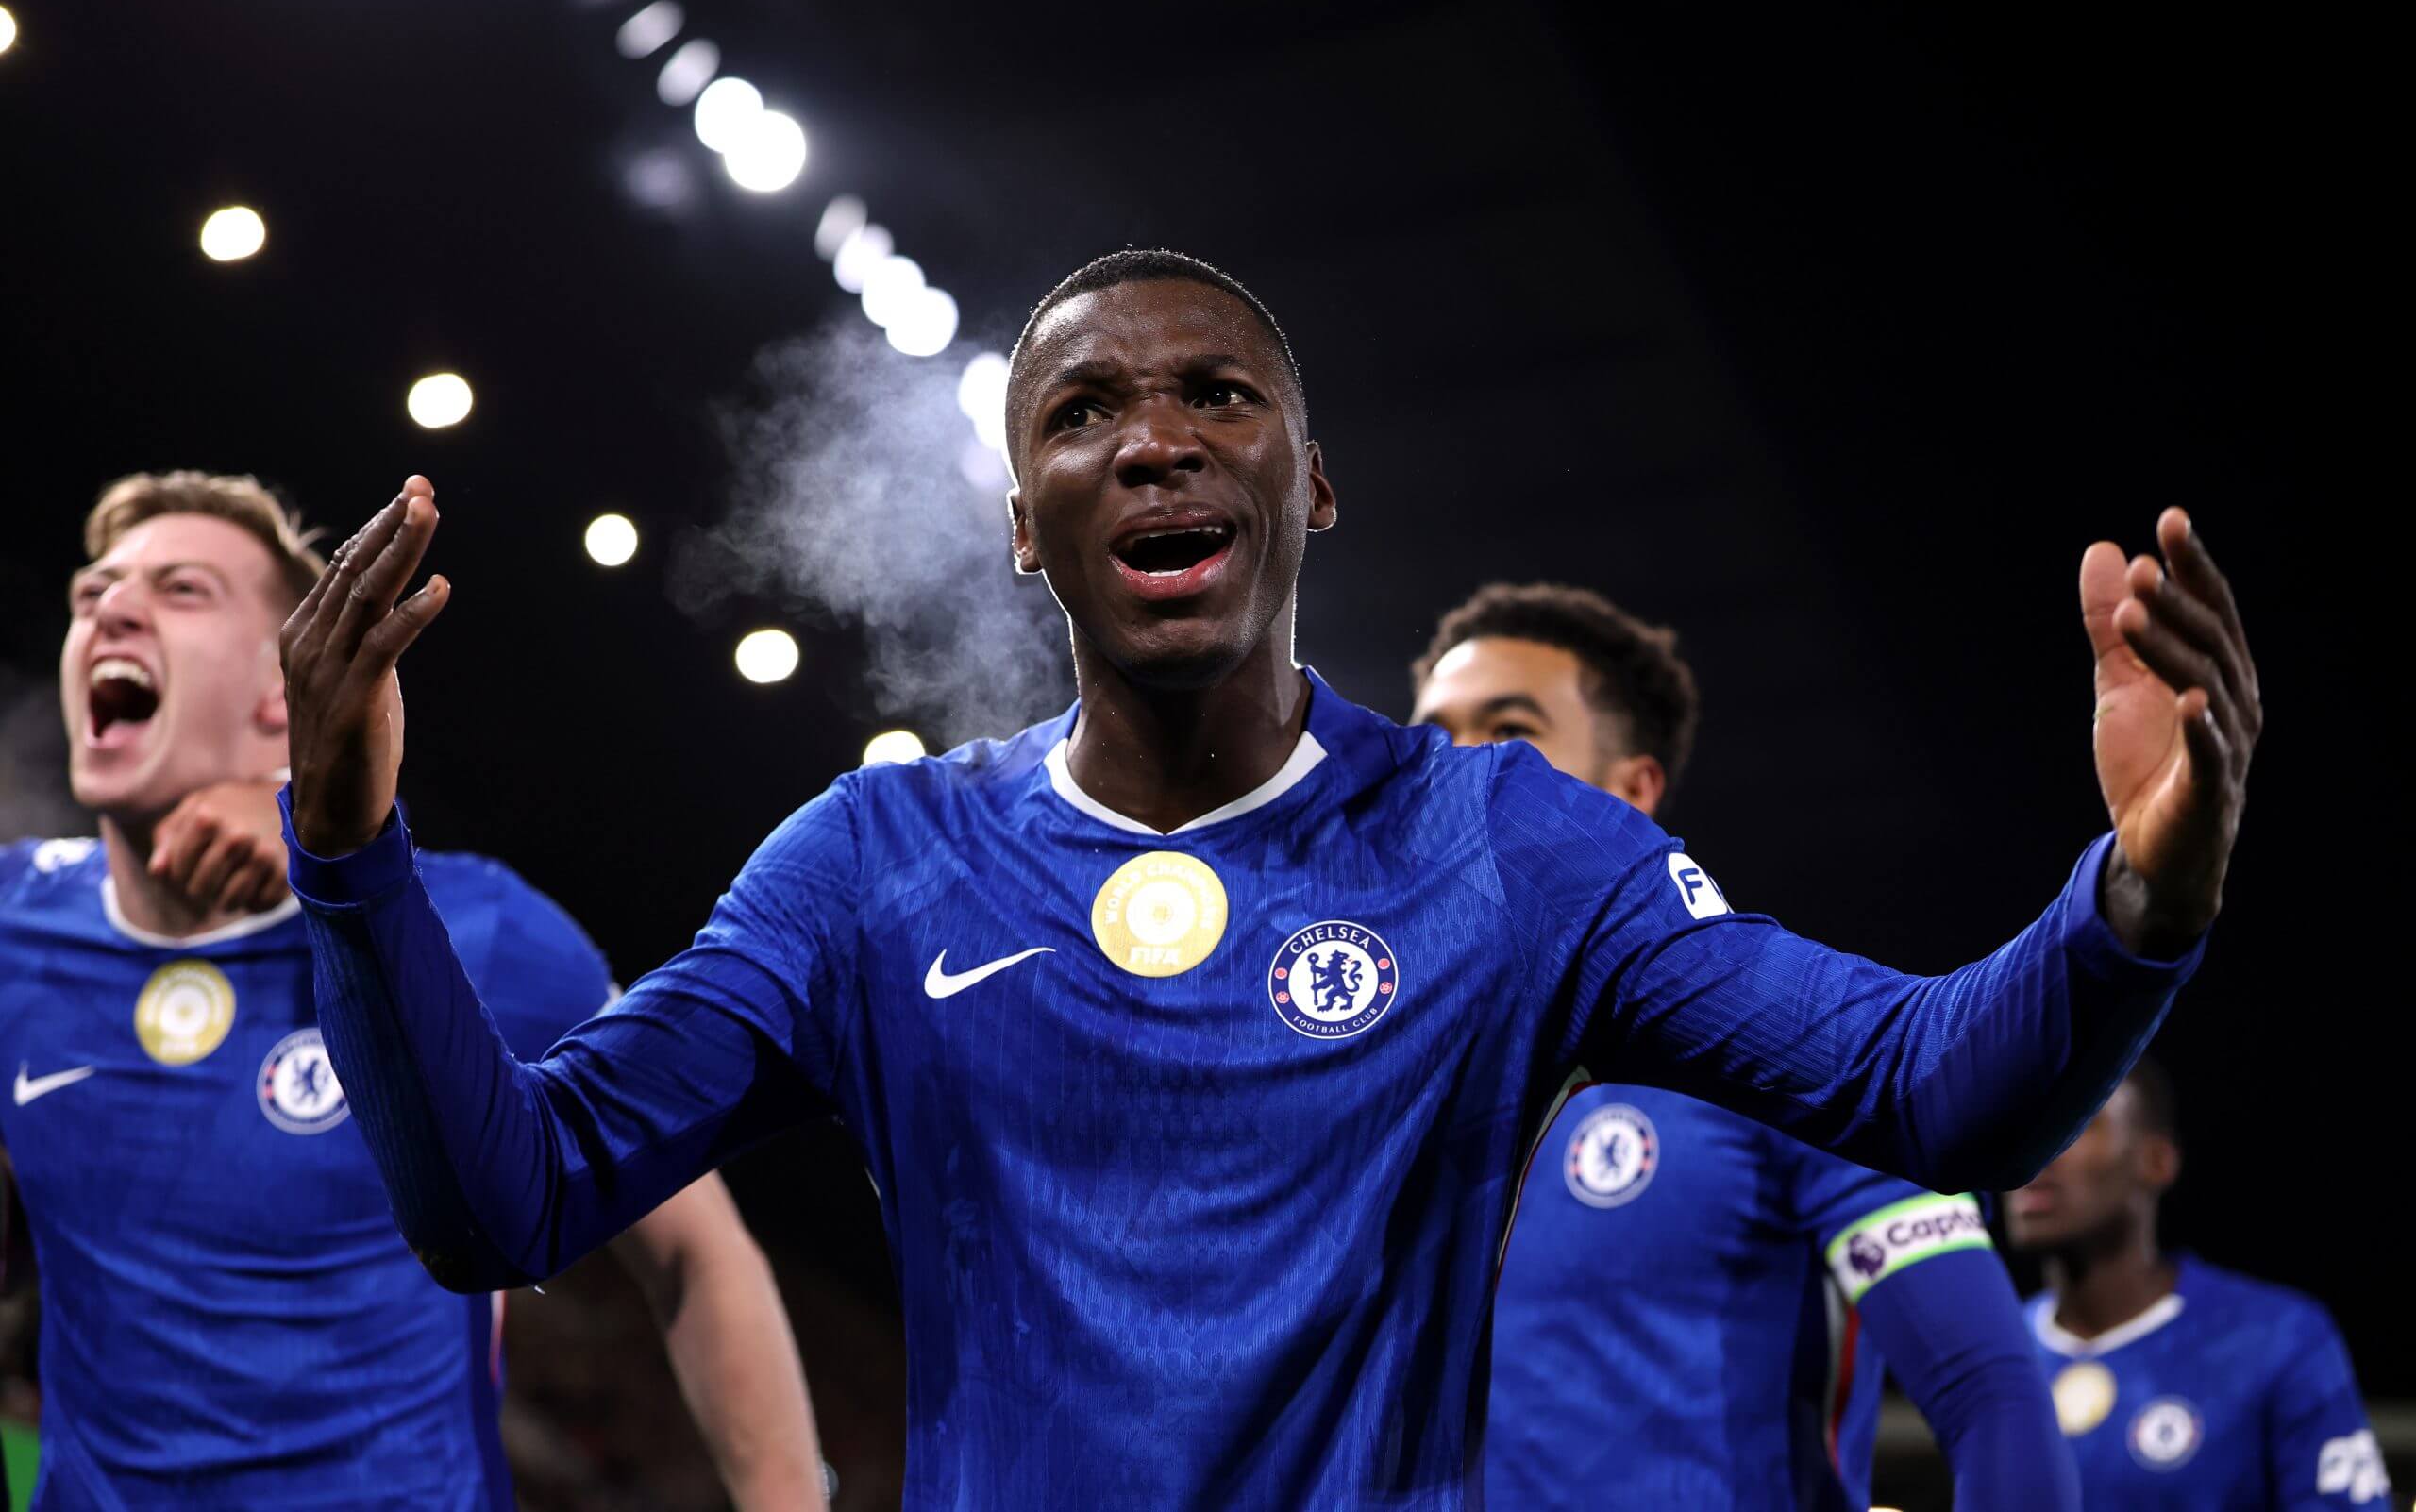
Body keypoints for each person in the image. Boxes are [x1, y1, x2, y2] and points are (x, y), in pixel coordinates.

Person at [277, 249, 2259, 1505]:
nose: (1153, 439)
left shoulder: (1506, 842)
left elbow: (1928, 1086)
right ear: (1024, 532)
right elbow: (501, 1197)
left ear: (1305, 486)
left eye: (1215, 395)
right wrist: (355, 854)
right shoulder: (875, 867)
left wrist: (2137, 896)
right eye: (1082, 413)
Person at [0, 473, 827, 1510]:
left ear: (285, 683)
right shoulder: (13, 930)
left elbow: (694, 1255)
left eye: (182, 589)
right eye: (94, 592)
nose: (106, 608)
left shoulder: (480, 930)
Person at [1410, 581, 2079, 1510]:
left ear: (1630, 792)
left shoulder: (1785, 1058)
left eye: (1510, 734)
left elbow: (1987, 1396)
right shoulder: (1388, 1085)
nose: (1463, 772)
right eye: (1433, 739)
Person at [2006, 1057, 2390, 1508]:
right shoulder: (1996, 1352)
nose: (2037, 1152)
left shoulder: (2277, 1338)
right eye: (2019, 1128)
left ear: (2155, 1162)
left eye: (2077, 1123)